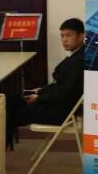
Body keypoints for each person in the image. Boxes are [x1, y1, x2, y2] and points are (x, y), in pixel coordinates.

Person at [6, 18, 85, 148]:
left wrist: (39, 97)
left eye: (69, 35)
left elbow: (64, 92)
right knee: (12, 99)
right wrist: (40, 91)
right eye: (62, 36)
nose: (64, 40)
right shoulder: (76, 55)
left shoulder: (79, 60)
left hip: (61, 111)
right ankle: (3, 144)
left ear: (81, 36)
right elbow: (60, 86)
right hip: (57, 103)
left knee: (12, 112)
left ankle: (1, 146)